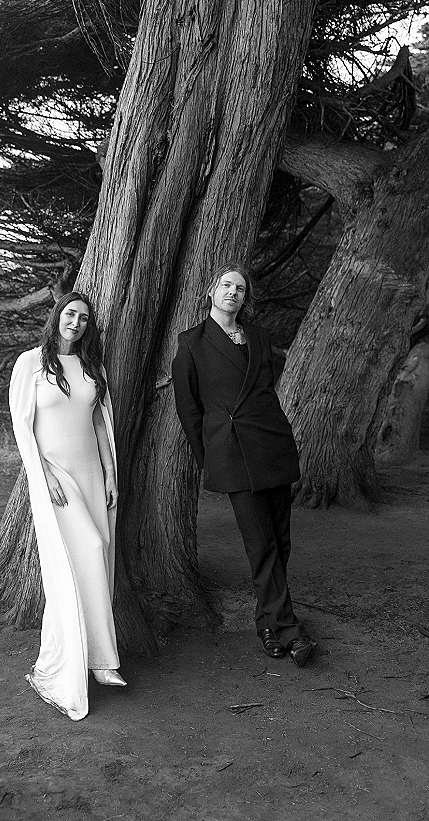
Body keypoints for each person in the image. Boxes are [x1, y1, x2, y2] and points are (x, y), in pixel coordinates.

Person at [171, 263, 313, 666]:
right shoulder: (191, 343)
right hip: (232, 454)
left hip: (272, 446)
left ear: (245, 298)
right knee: (261, 543)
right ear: (211, 293)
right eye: (226, 285)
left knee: (280, 541)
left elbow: (267, 392)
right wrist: (211, 459)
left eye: (240, 288)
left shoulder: (259, 337)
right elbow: (188, 410)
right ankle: (288, 629)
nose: (232, 292)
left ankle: (267, 622)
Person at [9, 291, 126, 722]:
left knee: (99, 556)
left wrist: (111, 473)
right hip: (56, 479)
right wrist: (45, 473)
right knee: (84, 553)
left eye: (84, 318)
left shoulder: (92, 367)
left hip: (92, 473)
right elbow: (23, 426)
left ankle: (100, 660)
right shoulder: (31, 364)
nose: (76, 322)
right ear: (57, 316)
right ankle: (81, 664)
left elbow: (99, 421)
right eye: (70, 314)